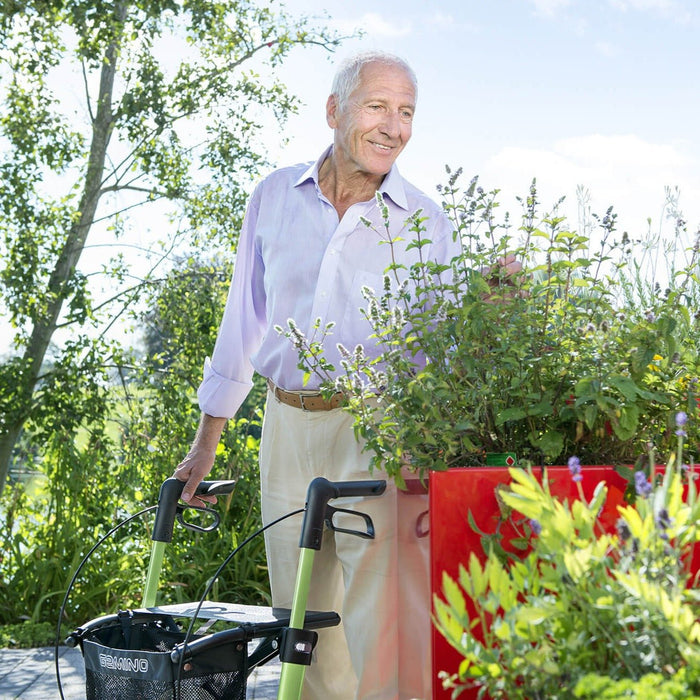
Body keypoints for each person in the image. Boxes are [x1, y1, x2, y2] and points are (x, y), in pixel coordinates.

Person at [174, 50, 518, 699]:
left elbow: (436, 343)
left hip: (377, 427)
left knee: (384, 617)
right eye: (378, 107)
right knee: (301, 620)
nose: (394, 126)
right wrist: (206, 439)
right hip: (284, 424)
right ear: (334, 111)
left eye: (407, 112)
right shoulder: (273, 197)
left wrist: (480, 314)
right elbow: (241, 320)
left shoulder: (423, 220)